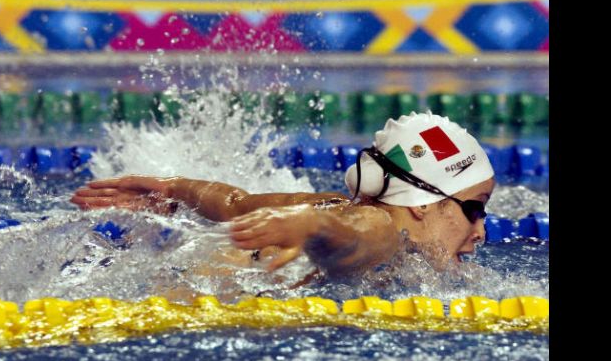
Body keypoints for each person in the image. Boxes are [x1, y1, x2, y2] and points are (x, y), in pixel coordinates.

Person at [70, 112, 494, 277]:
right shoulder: (383, 228)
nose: (481, 232)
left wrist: (173, 189)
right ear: (420, 204)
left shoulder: (334, 202)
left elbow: (236, 203)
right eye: (474, 209)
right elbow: (353, 238)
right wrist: (310, 228)